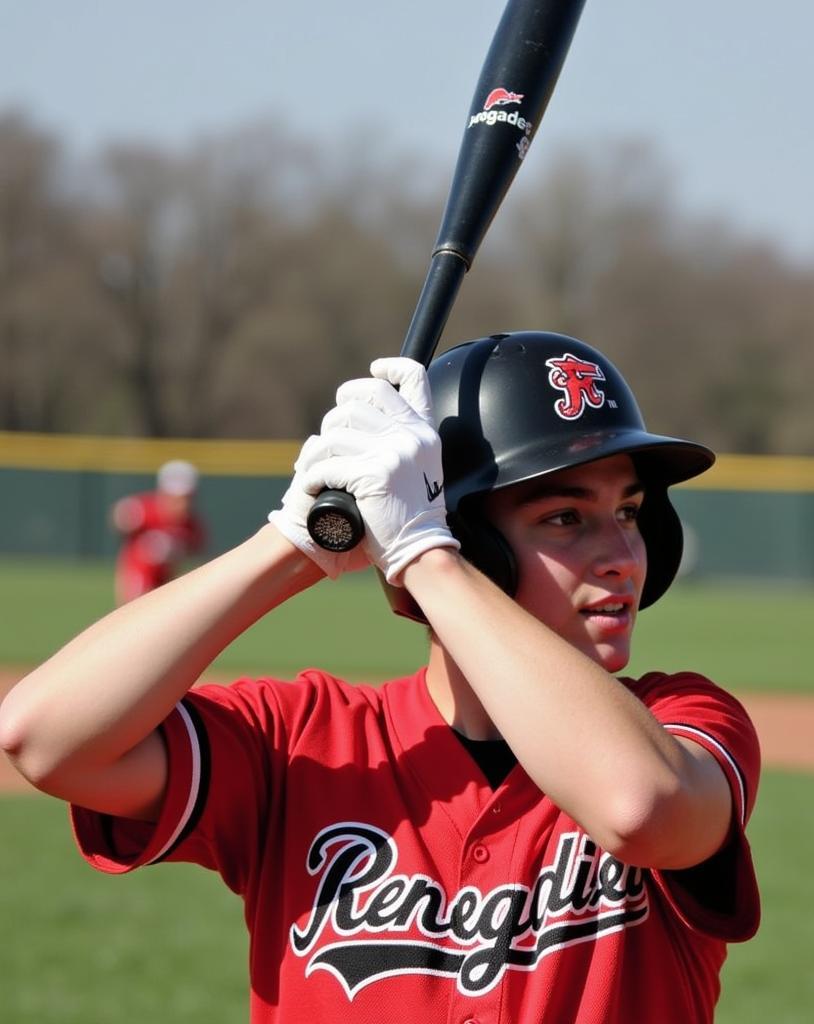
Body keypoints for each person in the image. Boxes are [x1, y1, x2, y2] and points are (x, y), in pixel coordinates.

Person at [0, 332, 760, 1023]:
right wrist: (293, 541)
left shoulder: (680, 724)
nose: (623, 554)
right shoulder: (300, 742)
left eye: (628, 512)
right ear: (472, 540)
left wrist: (426, 554)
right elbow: (43, 738)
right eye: (566, 517)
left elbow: (636, 807)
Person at [110, 459, 206, 604]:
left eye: (187, 499)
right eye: (176, 499)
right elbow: (119, 517)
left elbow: (196, 551)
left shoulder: (191, 524)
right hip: (138, 578)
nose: (181, 504)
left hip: (166, 582)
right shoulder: (145, 510)